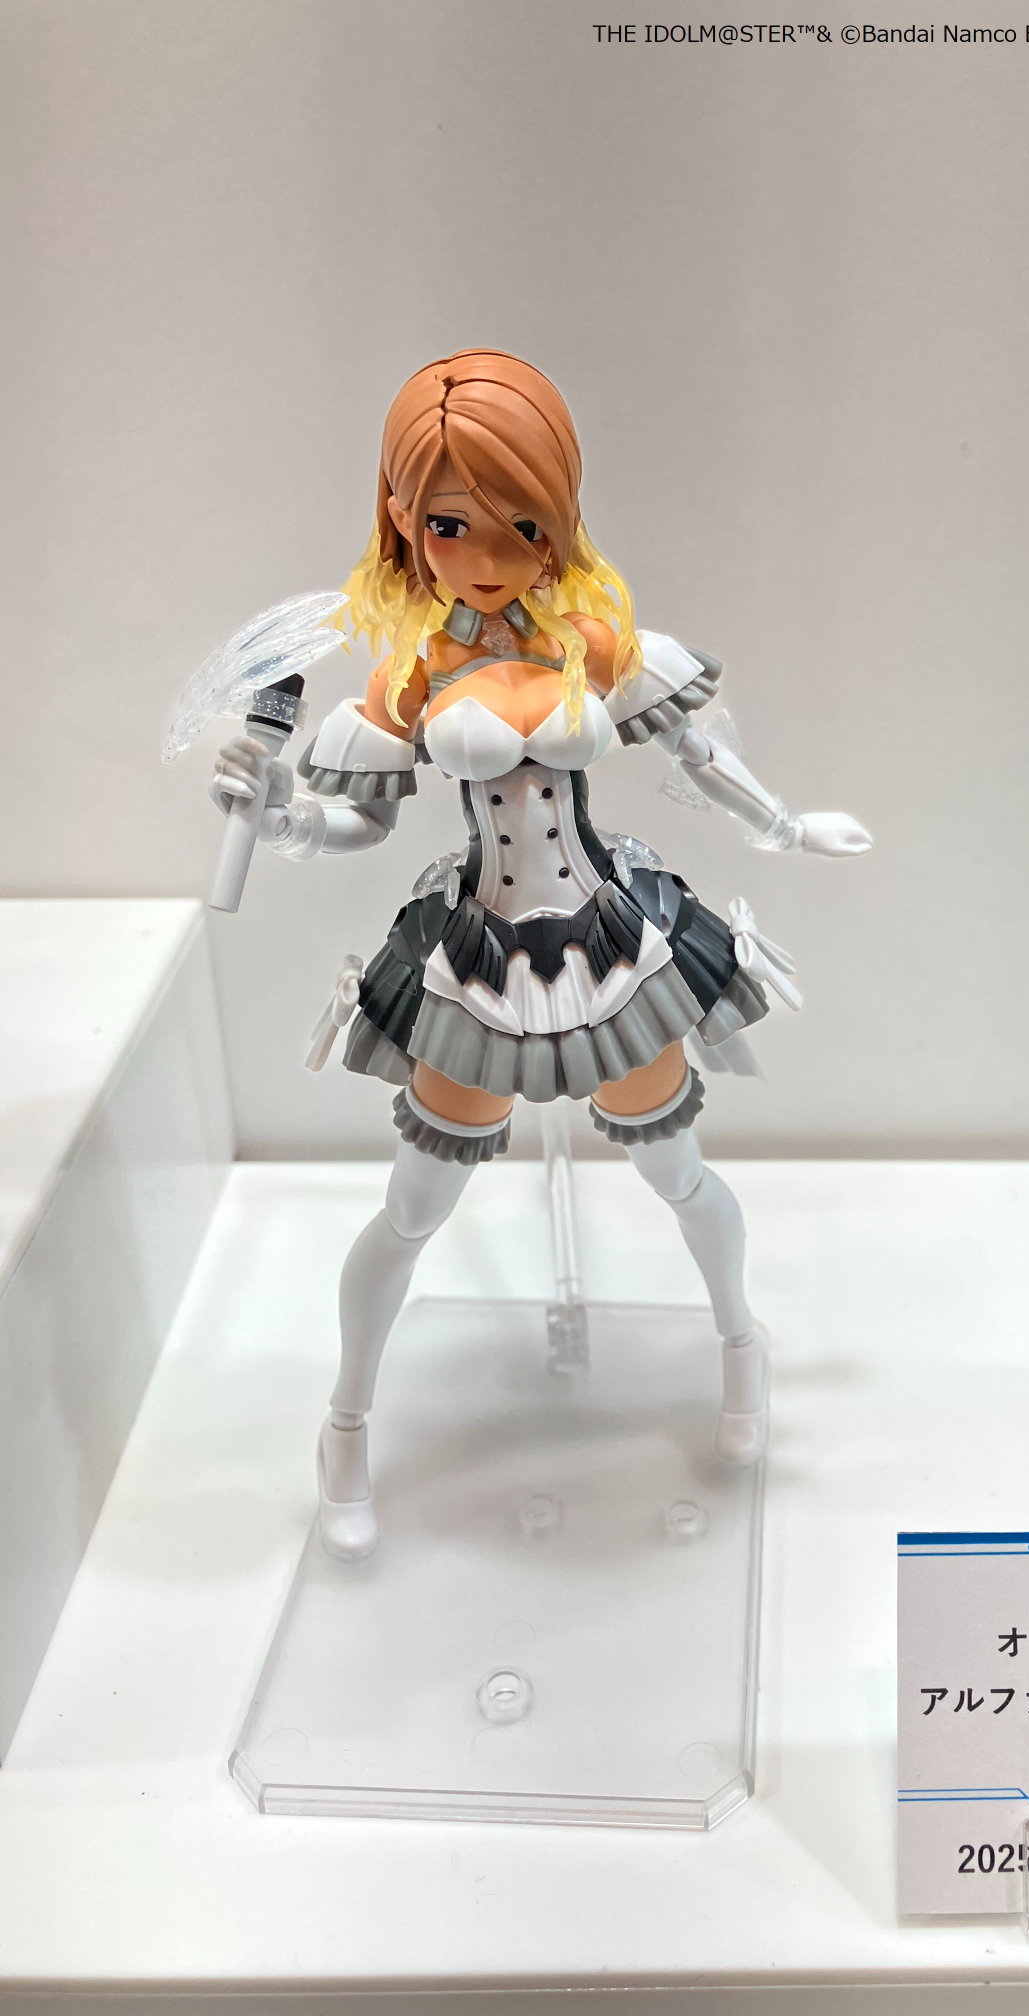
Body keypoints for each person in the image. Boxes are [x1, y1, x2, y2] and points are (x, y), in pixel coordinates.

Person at [210, 349, 871, 1559]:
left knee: (677, 1172)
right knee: (414, 1208)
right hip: (478, 968)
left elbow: (698, 756)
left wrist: (783, 826)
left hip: (612, 954)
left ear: (560, 511)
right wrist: (281, 816)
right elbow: (360, 825)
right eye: (449, 522)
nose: (487, 553)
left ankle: (741, 1340)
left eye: (522, 522)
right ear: (402, 514)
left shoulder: (591, 639)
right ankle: (346, 1422)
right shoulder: (412, 670)